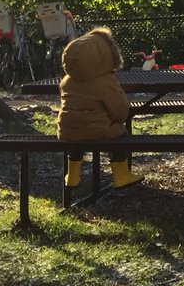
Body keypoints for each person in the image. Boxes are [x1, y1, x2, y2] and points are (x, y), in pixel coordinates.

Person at [57, 27, 143, 189]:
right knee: (120, 135)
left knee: (77, 141)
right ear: (104, 55)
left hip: (67, 131)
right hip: (97, 131)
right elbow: (120, 108)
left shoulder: (67, 80)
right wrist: (119, 120)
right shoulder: (104, 81)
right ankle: (121, 175)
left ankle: (72, 176)